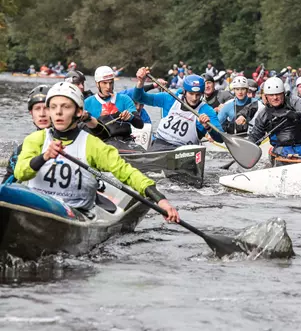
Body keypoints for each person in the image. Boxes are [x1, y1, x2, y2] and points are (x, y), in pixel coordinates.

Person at [13, 82, 179, 221]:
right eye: (53, 107)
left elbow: (126, 172)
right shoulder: (35, 140)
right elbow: (21, 173)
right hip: (39, 208)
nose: (58, 112)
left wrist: (160, 199)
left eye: (65, 107)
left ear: (78, 112)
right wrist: (44, 157)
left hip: (77, 213)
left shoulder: (92, 144)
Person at [134, 68, 223, 151]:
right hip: (160, 144)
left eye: (198, 94)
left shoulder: (207, 111)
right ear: (184, 91)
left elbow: (220, 138)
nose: (194, 98)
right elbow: (139, 98)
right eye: (191, 94)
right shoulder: (170, 98)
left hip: (184, 151)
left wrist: (208, 127)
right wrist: (141, 81)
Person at [247, 77, 301, 164]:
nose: (275, 98)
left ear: (283, 94)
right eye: (271, 95)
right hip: (282, 149)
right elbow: (255, 136)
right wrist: (248, 147)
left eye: (278, 94)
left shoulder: (294, 101)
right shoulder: (263, 115)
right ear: (266, 96)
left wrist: (296, 115)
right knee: (287, 155)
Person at [2, 85, 52, 183]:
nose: (42, 114)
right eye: (37, 109)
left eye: (47, 108)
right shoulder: (21, 149)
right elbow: (6, 184)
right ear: (31, 113)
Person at [84, 66, 144, 147]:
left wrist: (131, 118)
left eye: (111, 82)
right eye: (104, 83)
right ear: (97, 84)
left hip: (125, 142)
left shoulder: (124, 99)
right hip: (100, 144)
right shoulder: (87, 103)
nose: (108, 87)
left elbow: (140, 125)